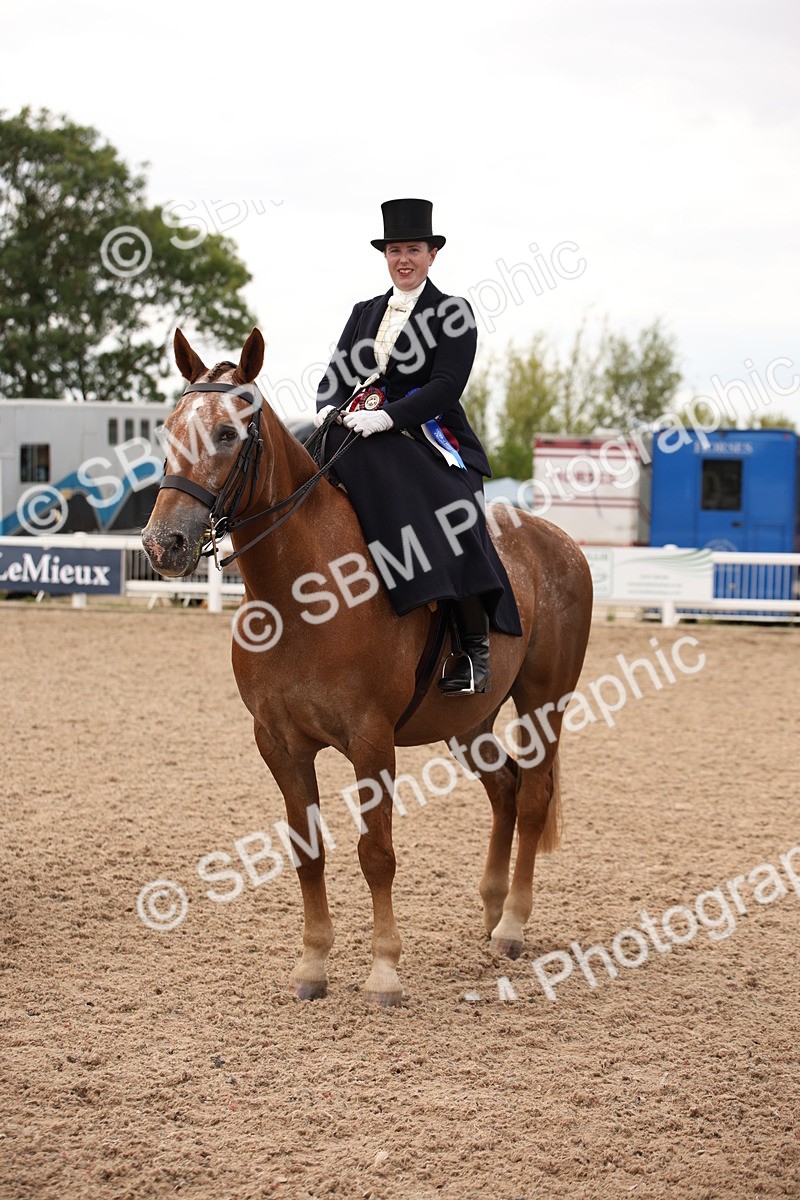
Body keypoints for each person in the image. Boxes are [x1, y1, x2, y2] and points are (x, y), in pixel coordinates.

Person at [314, 198, 521, 695]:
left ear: (432, 255)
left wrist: (387, 416)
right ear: (385, 255)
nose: (402, 258)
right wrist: (333, 411)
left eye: (412, 249)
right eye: (394, 250)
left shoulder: (453, 312)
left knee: (455, 518)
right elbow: (334, 378)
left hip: (430, 439)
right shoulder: (363, 313)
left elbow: (445, 386)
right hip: (356, 429)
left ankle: (473, 648)